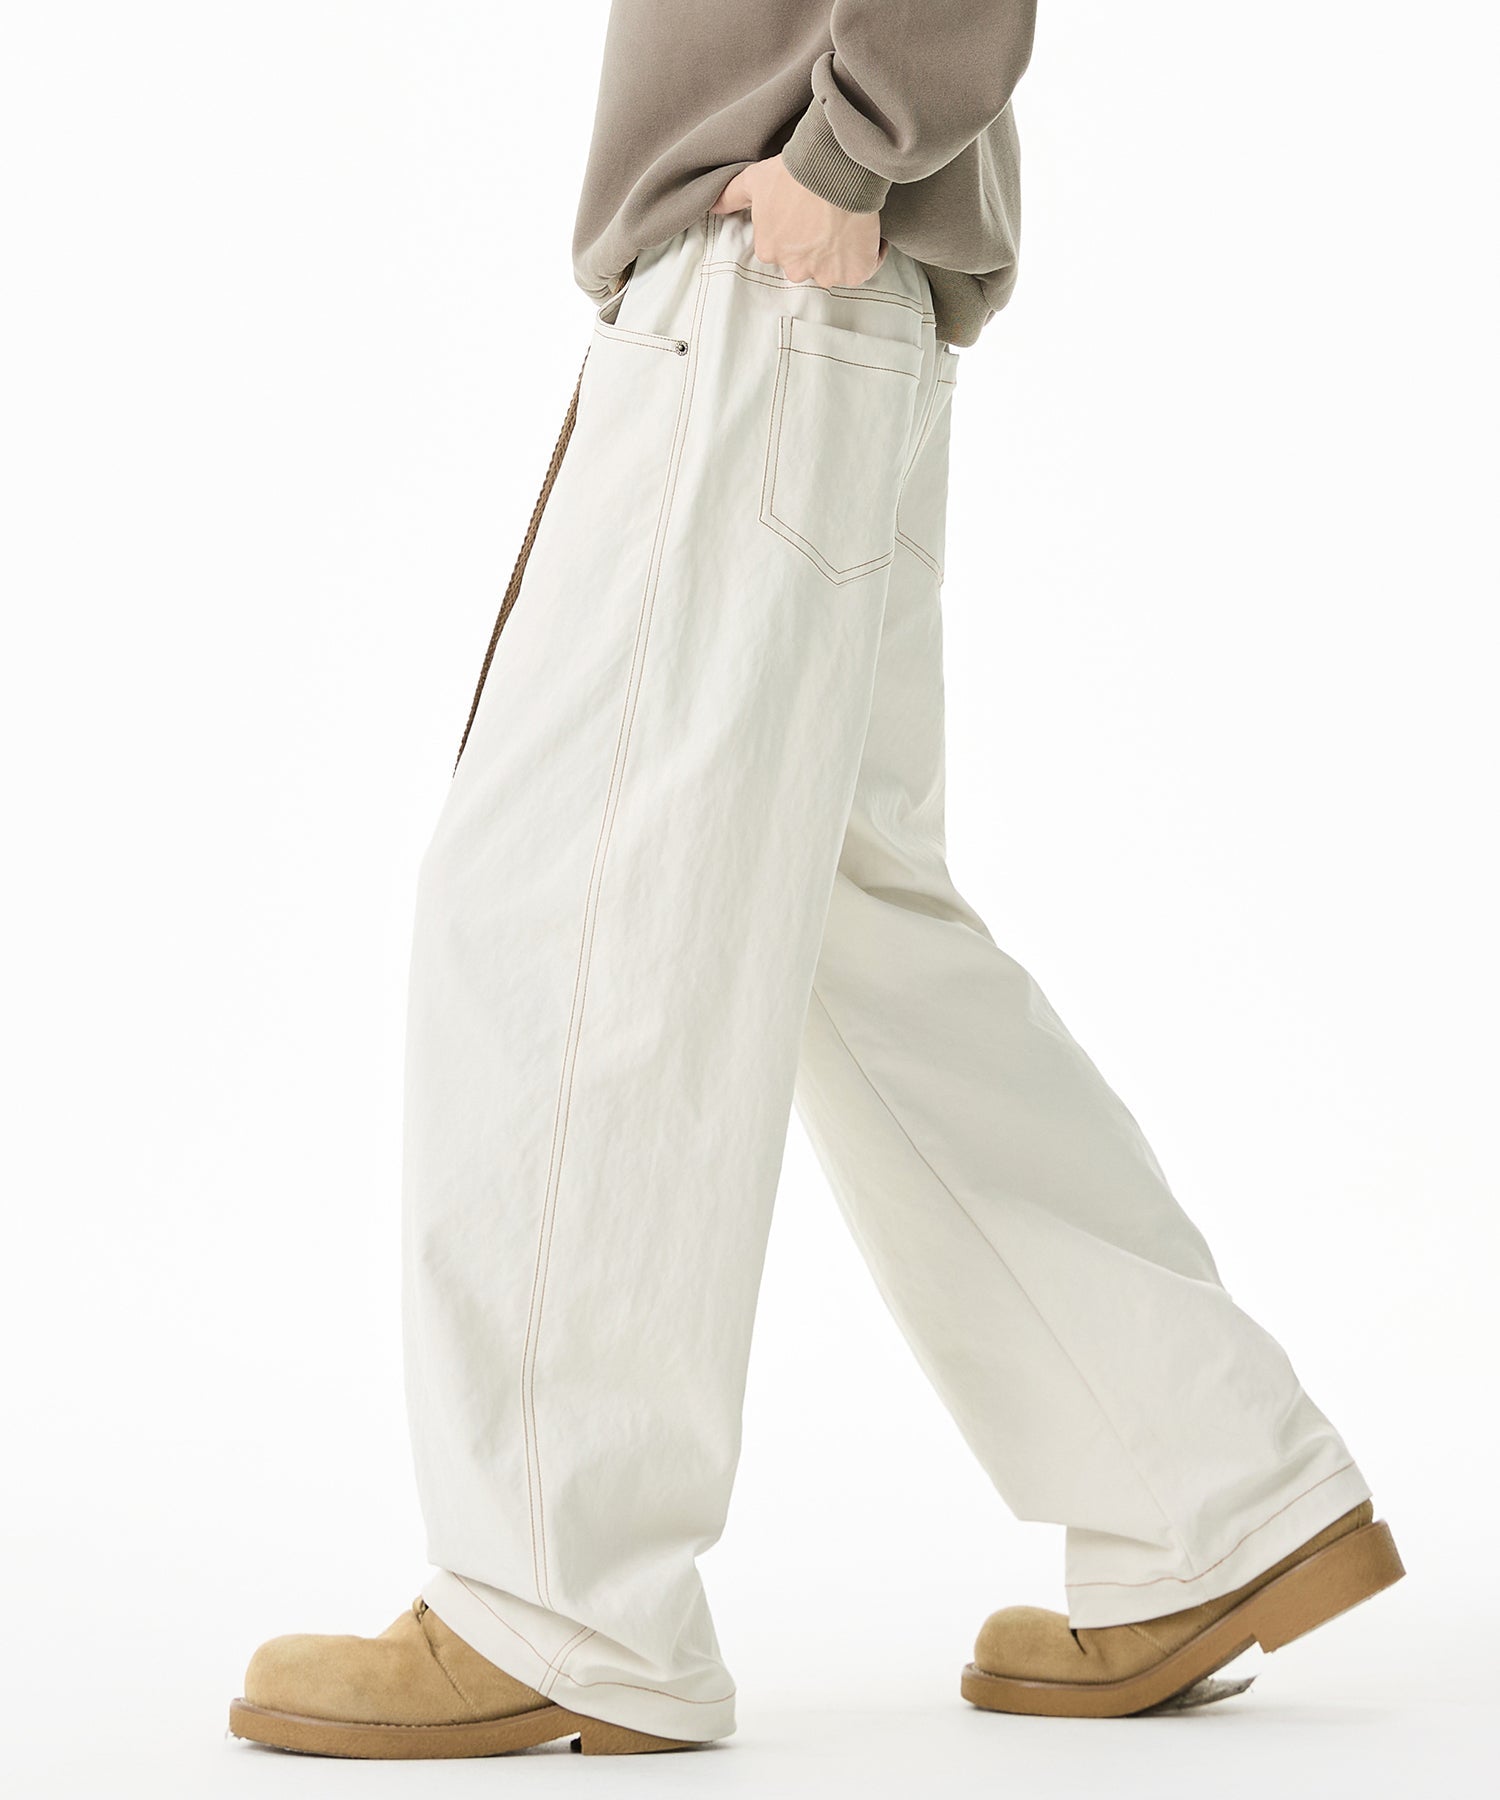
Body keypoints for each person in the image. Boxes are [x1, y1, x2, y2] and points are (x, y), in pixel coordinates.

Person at [229, 0, 1402, 1759]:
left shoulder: (821, 184)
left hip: (770, 278)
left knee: (572, 914)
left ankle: (559, 1600)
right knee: (852, 936)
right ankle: (1206, 1487)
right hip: (820, 301)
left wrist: (850, 144)